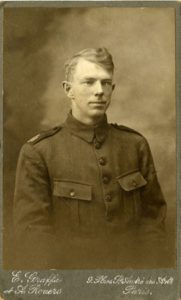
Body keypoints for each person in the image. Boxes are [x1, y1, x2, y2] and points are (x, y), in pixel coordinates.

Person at [13, 48, 167, 269]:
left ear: (113, 89)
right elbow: (33, 234)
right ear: (69, 90)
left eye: (106, 83)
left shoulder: (135, 145)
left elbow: (153, 220)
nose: (99, 91)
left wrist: (146, 280)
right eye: (89, 82)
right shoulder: (39, 152)